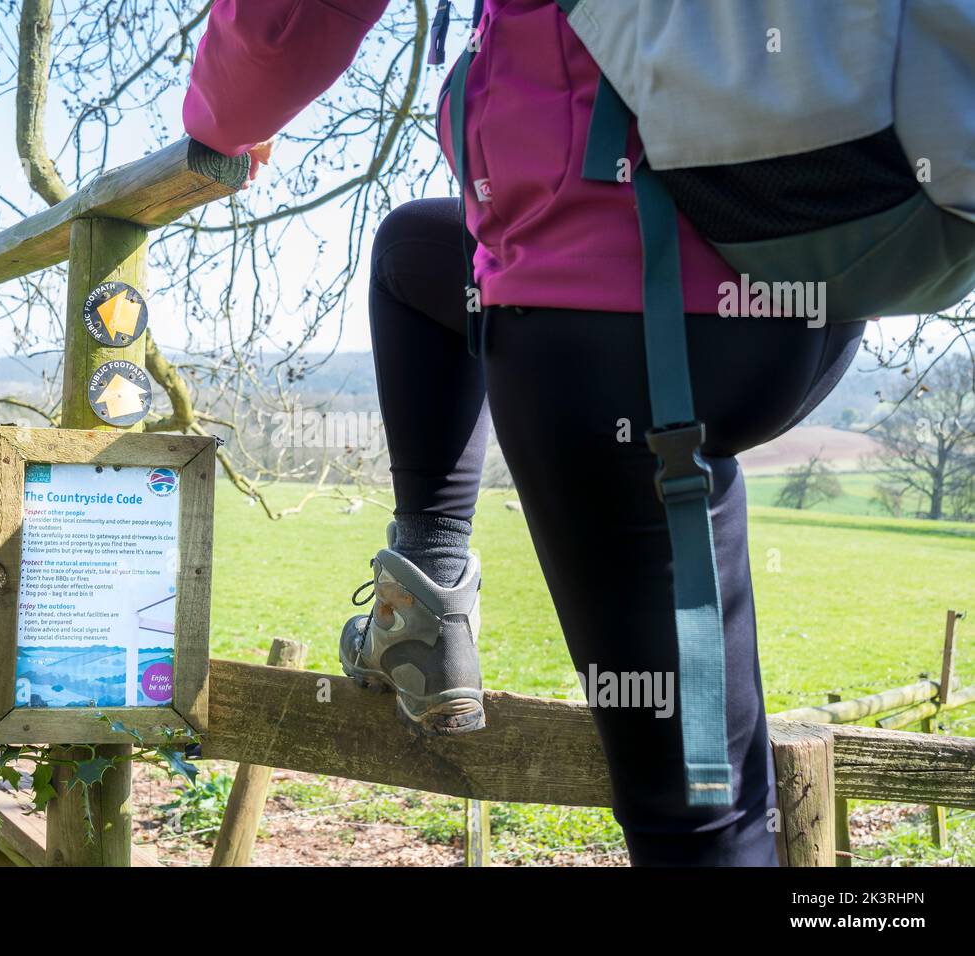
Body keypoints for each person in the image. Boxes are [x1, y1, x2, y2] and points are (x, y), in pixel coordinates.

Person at [183, 0, 865, 866]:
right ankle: (426, 578)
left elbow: (278, 32)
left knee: (699, 828)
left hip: (615, 312)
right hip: (821, 293)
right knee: (412, 254)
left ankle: (432, 593)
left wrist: (221, 122)